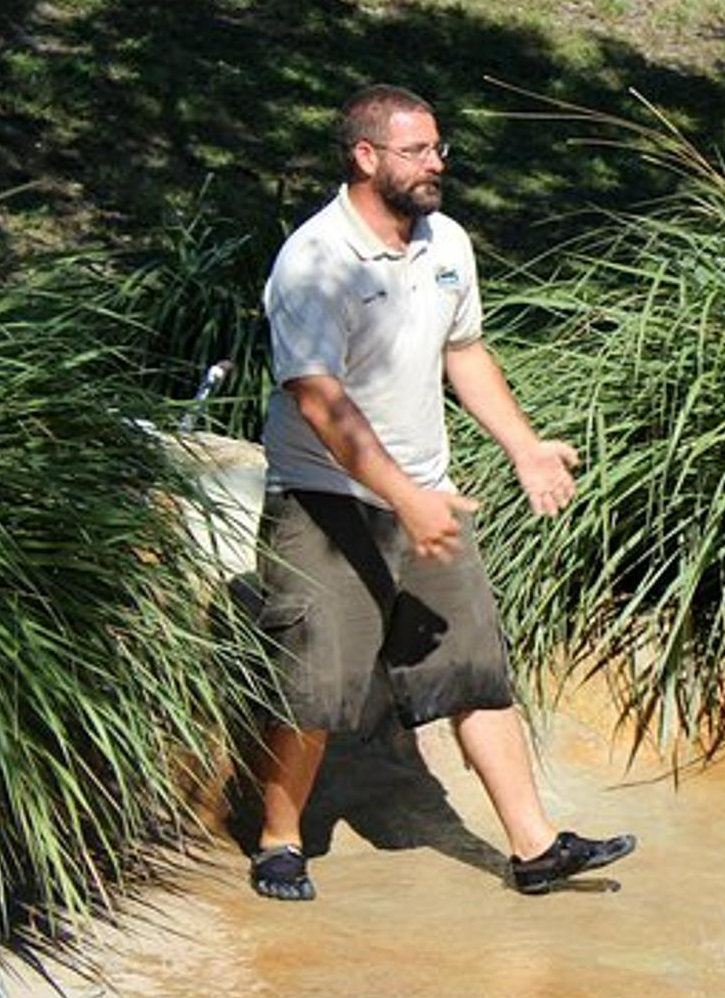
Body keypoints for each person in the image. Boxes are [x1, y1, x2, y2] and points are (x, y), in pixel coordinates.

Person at [247, 83, 634, 901]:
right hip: (325, 501)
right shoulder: (317, 260)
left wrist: (523, 446)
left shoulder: (445, 240)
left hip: (428, 496)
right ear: (365, 157)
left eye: (438, 148)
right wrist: (402, 495)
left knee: (475, 670)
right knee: (316, 685)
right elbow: (318, 399)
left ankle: (534, 847)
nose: (436, 164)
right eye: (416, 150)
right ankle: (279, 839)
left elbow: (465, 351)